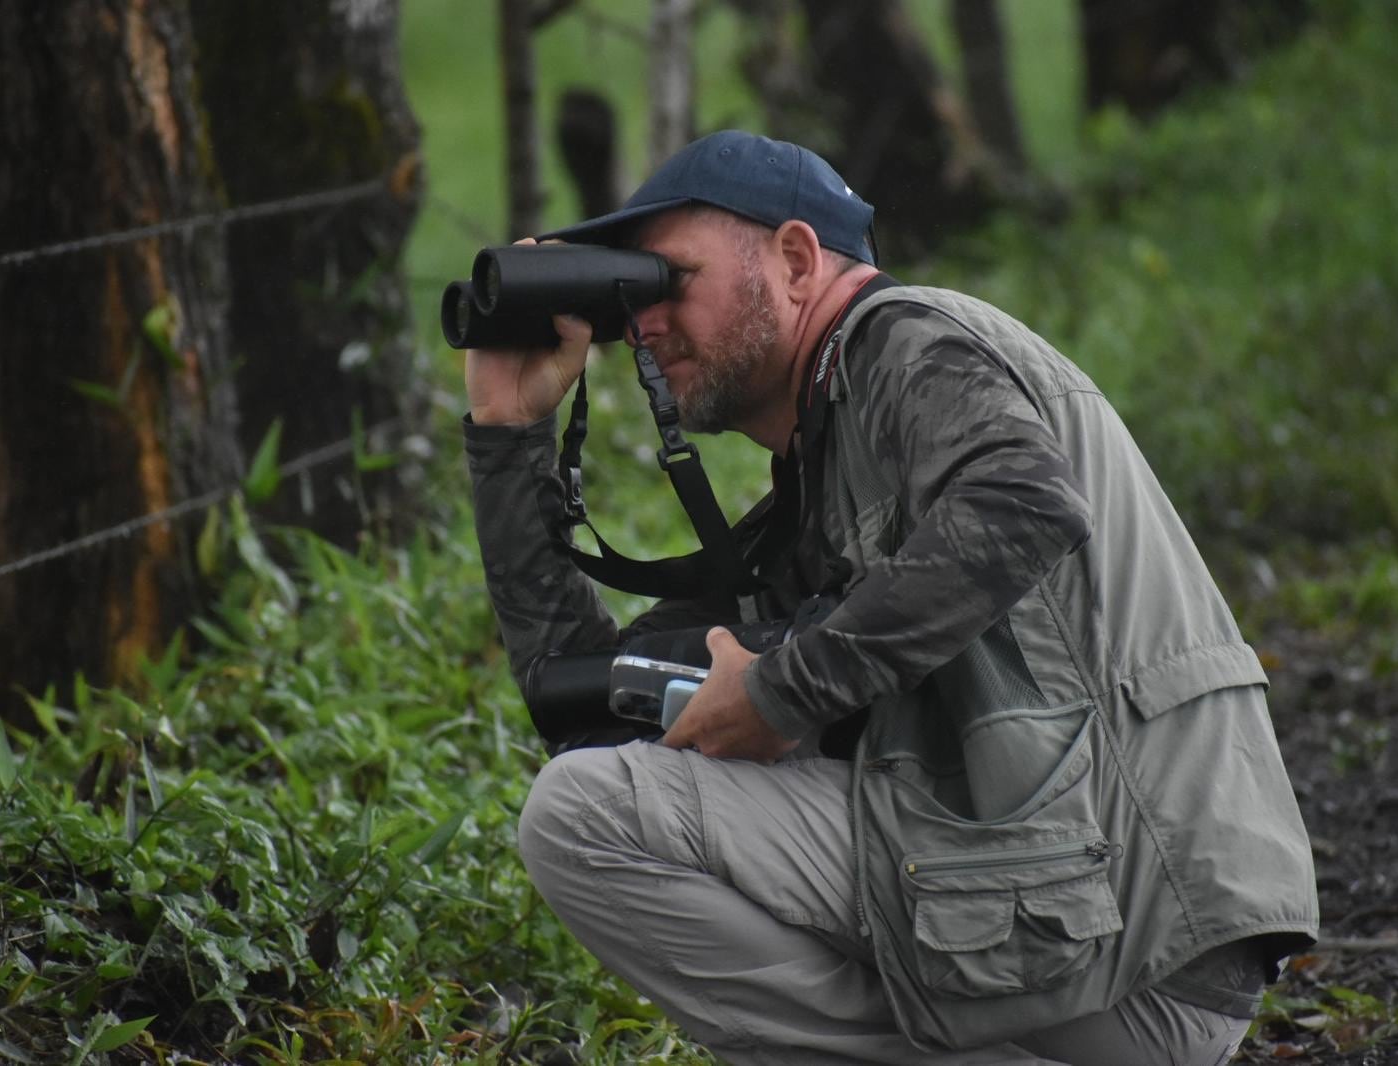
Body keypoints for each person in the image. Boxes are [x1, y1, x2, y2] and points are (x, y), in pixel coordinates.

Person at [462, 129, 1317, 1065]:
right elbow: (589, 699)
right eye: (629, 299)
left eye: (668, 281)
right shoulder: (827, 469)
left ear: (795, 260)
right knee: (600, 787)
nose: (643, 326)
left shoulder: (905, 340)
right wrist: (509, 433)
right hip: (1075, 928)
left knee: (583, 818)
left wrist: (781, 692)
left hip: (1143, 939)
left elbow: (1022, 504)